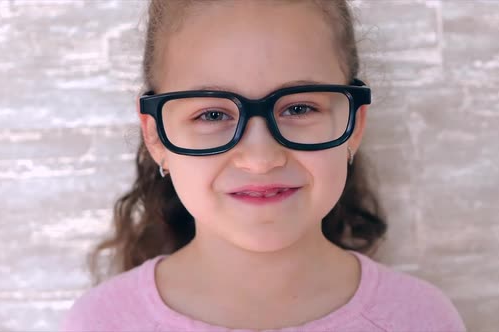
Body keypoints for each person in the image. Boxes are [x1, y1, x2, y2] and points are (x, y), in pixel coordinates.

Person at [61, 0, 466, 331]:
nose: (260, 158)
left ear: (354, 125)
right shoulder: (99, 323)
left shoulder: (421, 318)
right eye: (212, 115)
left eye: (300, 107)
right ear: (156, 136)